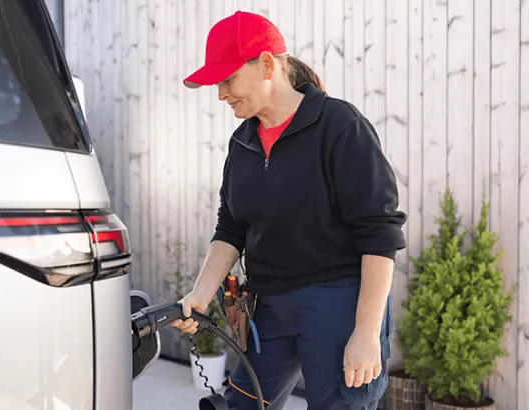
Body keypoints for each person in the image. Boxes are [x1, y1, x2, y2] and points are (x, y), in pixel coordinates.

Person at [170, 10, 407, 410]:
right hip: (271, 306)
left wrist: (366, 333)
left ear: (265, 65)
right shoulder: (242, 143)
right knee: (241, 403)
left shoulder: (339, 125)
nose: (221, 94)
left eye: (227, 79)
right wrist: (200, 293)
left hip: (338, 302)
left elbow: (379, 233)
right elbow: (231, 228)